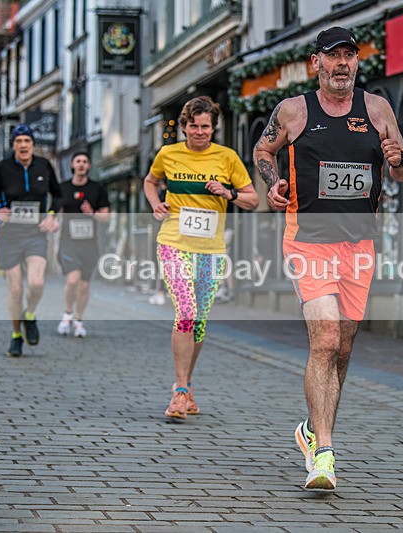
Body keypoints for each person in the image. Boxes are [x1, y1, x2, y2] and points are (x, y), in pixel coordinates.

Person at [252, 26, 403, 491]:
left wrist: (398, 155)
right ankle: (324, 453)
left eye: (349, 56)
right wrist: (273, 180)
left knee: (342, 347)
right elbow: (265, 148)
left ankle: (310, 429)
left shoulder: (378, 109)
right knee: (324, 338)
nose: (342, 63)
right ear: (315, 63)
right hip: (308, 241)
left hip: (359, 246)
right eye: (333, 56)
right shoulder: (294, 110)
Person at [143, 96, 258, 420]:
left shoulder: (227, 158)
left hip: (211, 249)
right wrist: (155, 203)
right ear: (184, 126)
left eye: (205, 126)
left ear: (213, 128)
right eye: (193, 125)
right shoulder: (168, 154)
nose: (199, 131)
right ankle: (180, 391)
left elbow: (253, 199)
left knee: (199, 322)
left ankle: (187, 385)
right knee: (187, 311)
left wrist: (228, 193)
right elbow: (150, 182)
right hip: (173, 242)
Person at [0, 124, 62, 357]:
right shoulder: (3, 169)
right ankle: (16, 336)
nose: (23, 145)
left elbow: (57, 195)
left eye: (27, 141)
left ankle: (30, 315)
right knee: (15, 290)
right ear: (13, 145)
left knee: (36, 283)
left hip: (35, 234)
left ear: (33, 145)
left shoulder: (44, 166)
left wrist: (51, 216)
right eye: (19, 141)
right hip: (9, 237)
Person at [56, 152, 110, 338]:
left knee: (84, 286)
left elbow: (106, 216)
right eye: (78, 161)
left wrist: (92, 213)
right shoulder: (62, 187)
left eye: (85, 161)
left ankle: (78, 320)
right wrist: (52, 221)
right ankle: (67, 313)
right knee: (72, 280)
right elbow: (54, 210)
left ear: (89, 166)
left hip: (89, 244)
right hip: (68, 242)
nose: (81, 164)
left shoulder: (97, 188)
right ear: (72, 164)